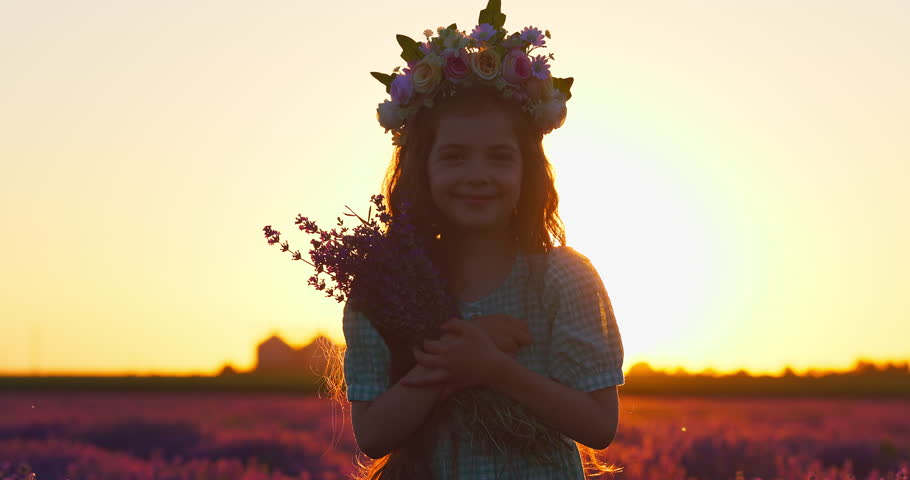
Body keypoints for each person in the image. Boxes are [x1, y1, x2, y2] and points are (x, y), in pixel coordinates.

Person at [334, 3, 626, 478]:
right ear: (420, 171)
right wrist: (455, 361)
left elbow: (597, 424)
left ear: (527, 172)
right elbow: (373, 435)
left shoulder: (564, 278)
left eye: (498, 157)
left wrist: (492, 367)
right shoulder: (382, 291)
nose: (477, 175)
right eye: (453, 156)